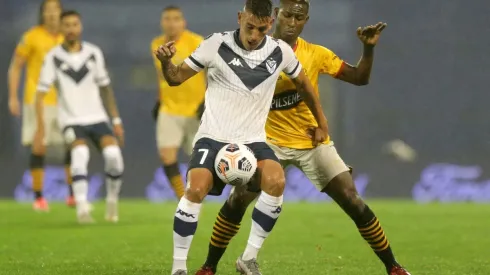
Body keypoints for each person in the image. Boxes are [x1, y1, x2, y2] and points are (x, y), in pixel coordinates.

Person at [195, 1, 411, 275]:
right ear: (276, 16)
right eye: (287, 15)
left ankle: (393, 267)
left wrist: (368, 48)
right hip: (267, 141)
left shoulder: (316, 54)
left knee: (351, 198)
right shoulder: (253, 52)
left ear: (306, 21)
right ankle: (209, 267)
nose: (292, 22)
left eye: (299, 17)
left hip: (311, 141)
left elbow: (359, 77)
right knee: (238, 198)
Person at [154, 0, 329, 274]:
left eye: (261, 29)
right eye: (249, 27)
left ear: (269, 24)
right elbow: (176, 78)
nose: (254, 36)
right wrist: (167, 63)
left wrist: (322, 124)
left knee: (276, 181)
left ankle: (248, 258)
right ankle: (179, 268)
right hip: (212, 138)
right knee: (195, 189)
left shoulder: (280, 52)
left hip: (253, 142)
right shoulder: (216, 44)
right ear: (239, 17)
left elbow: (305, 86)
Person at [34, 10, 124, 224]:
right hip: (71, 119)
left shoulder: (93, 53)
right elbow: (40, 93)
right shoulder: (53, 57)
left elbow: (105, 88)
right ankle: (82, 207)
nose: (71, 29)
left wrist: (116, 120)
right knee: (80, 153)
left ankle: (112, 201)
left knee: (113, 155)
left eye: (74, 24)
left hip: (97, 117)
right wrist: (41, 127)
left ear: (80, 27)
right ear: (61, 29)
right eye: (66, 25)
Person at [7, 0, 74, 211]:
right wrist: (12, 97)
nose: (52, 14)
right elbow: (16, 67)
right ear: (42, 14)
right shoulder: (31, 37)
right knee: (39, 145)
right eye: (48, 11)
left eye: (56, 10)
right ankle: (38, 197)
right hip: (38, 100)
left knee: (71, 144)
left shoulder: (67, 38)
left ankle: (73, 195)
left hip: (65, 101)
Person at [151, 6, 206, 200]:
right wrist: (159, 102)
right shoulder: (156, 45)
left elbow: (210, 74)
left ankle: (196, 194)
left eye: (176, 19)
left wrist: (207, 101)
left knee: (200, 160)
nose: (171, 23)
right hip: (169, 109)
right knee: (167, 156)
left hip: (195, 110)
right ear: (162, 22)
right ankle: (183, 199)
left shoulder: (197, 42)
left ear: (184, 23)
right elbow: (160, 78)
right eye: (167, 19)